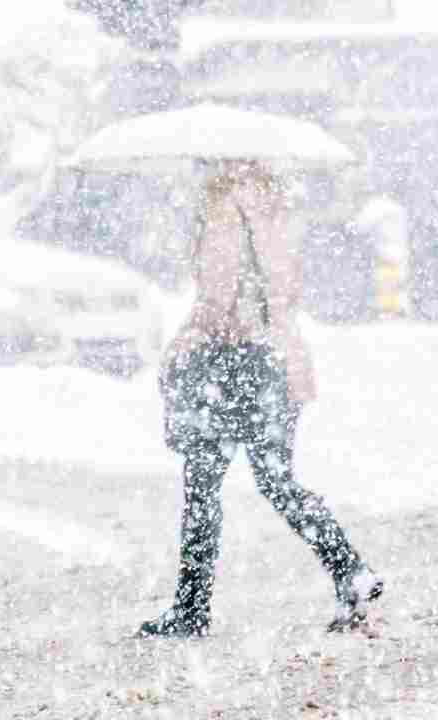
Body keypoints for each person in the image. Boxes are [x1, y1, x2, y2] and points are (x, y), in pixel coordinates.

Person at [141, 159, 382, 638]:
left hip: (230, 362)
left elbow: (219, 297)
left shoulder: (222, 205)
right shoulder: (274, 206)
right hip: (278, 359)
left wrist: (183, 343)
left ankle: (191, 608)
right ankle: (349, 568)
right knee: (277, 480)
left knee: (202, 485)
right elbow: (285, 289)